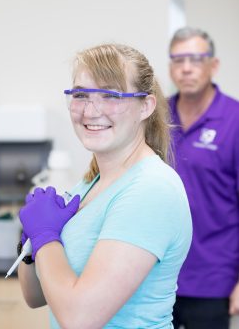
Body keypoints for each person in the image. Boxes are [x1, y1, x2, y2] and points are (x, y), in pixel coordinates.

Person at [18, 43, 192, 329]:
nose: (91, 110)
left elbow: (80, 319)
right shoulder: (89, 183)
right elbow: (35, 296)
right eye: (81, 95)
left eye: (110, 95)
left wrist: (46, 236)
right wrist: (29, 239)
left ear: (145, 106)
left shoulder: (151, 189)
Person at [168, 27, 239, 329]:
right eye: (178, 59)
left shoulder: (234, 120)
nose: (186, 68)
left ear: (214, 65)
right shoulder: (156, 117)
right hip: (157, 277)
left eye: (196, 59)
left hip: (213, 281)